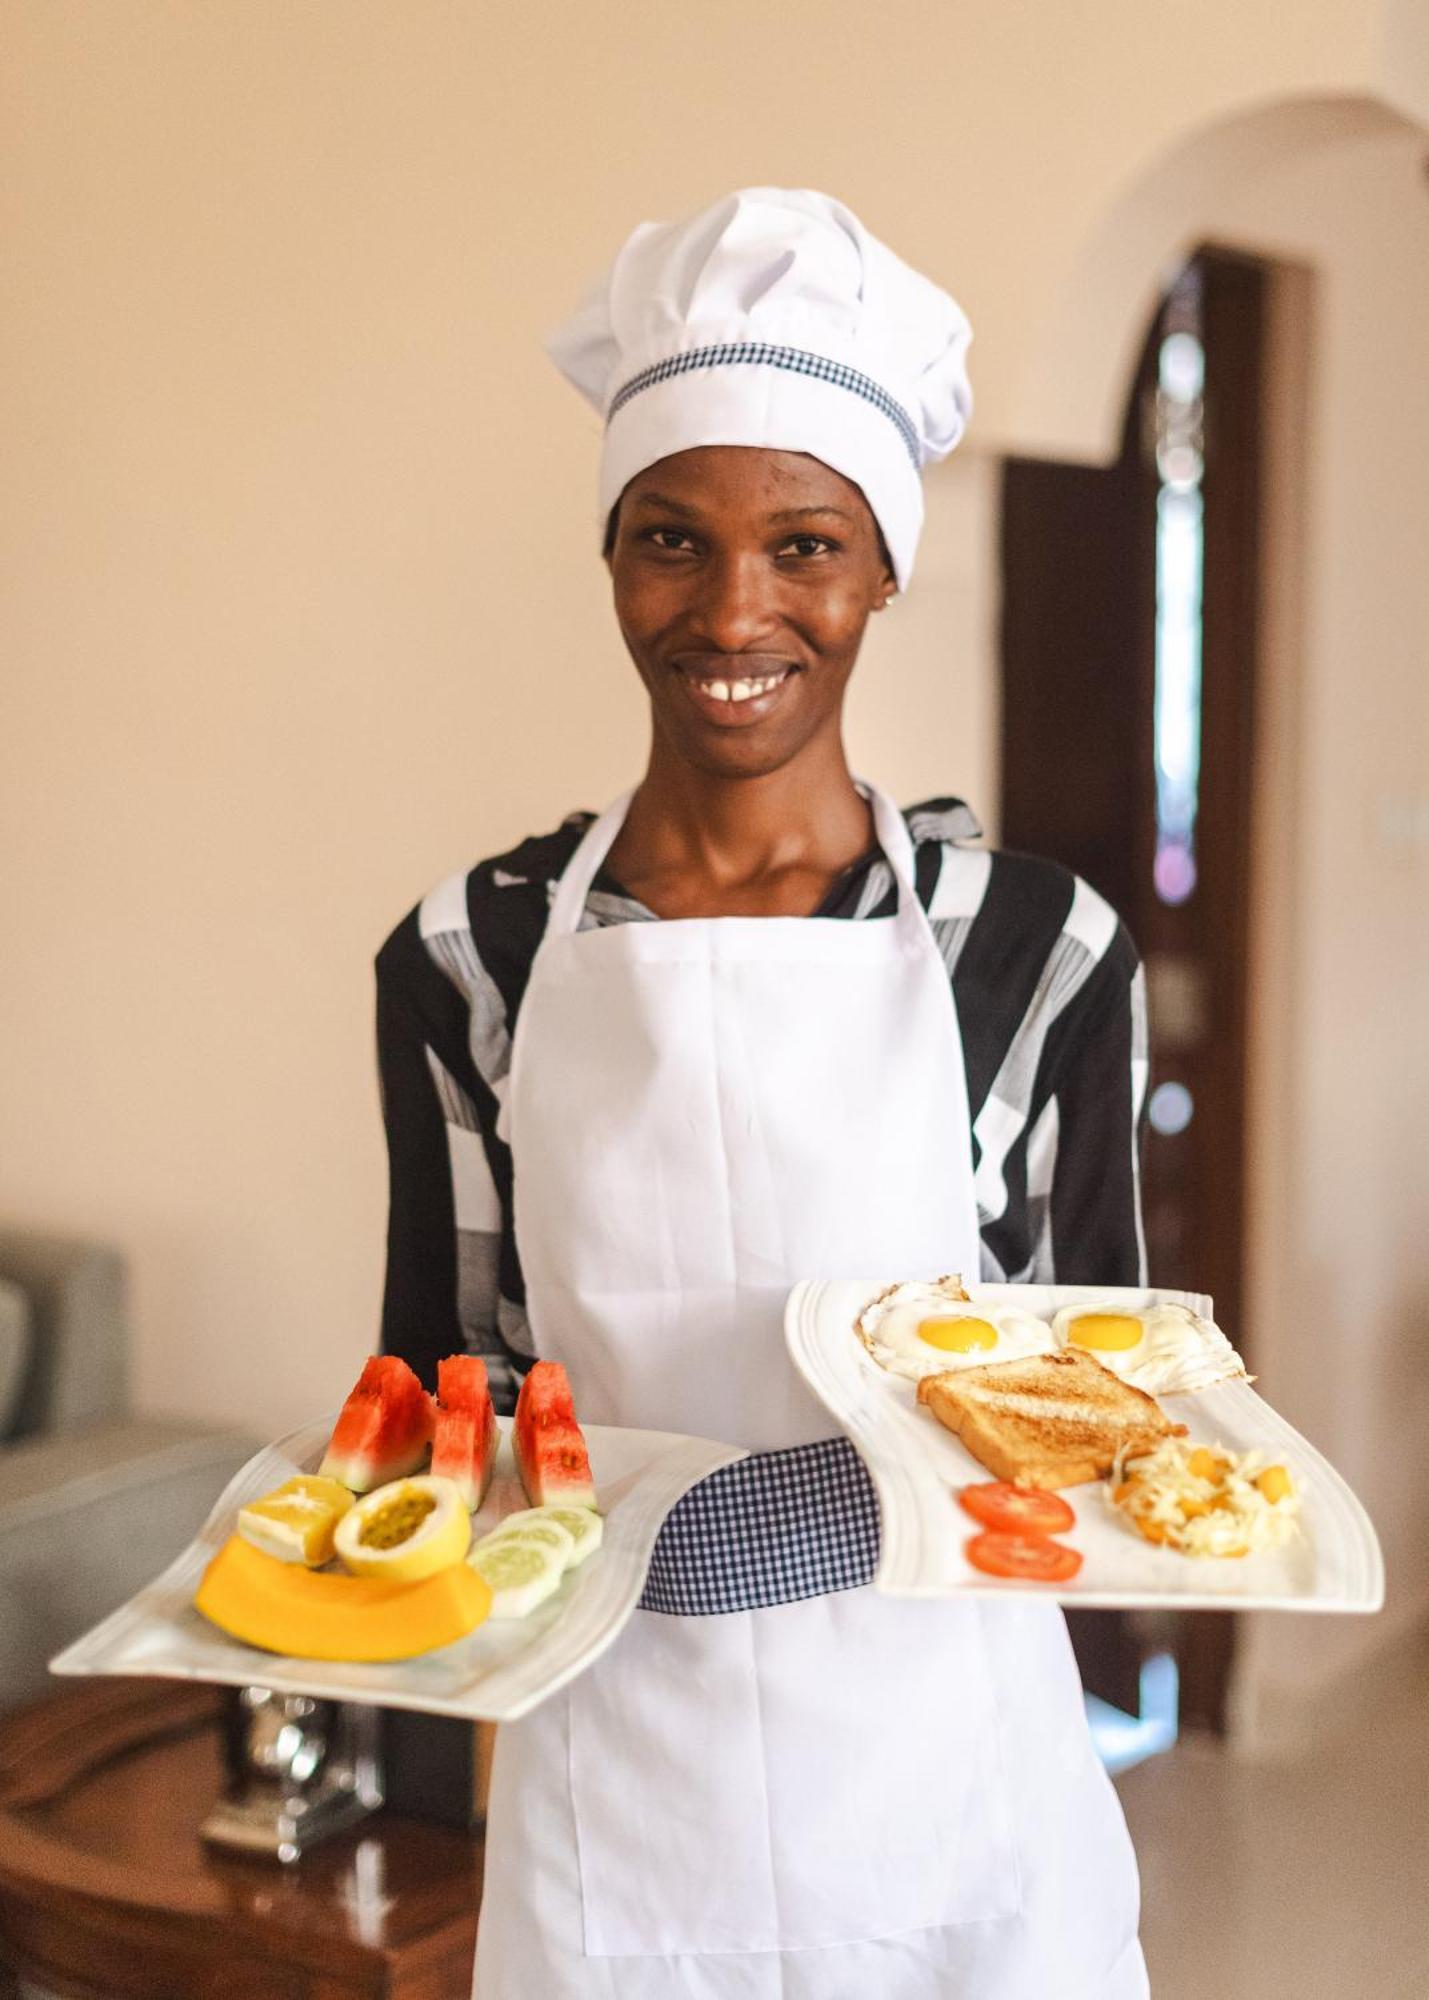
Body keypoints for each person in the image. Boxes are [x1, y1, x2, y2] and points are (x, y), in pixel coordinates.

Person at [376, 188, 1150, 1999]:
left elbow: (1117, 1410)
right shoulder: (469, 956)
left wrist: (827, 1508)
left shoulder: (1028, 952)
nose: (735, 608)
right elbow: (443, 1380)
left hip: (957, 1803)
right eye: (671, 539)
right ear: (609, 555)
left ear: (883, 568)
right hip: (617, 1807)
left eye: (805, 545)